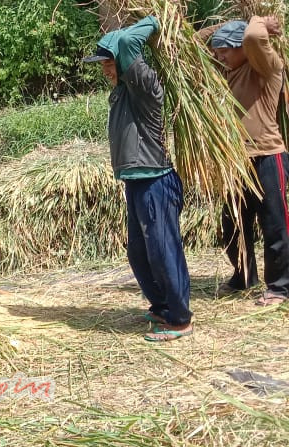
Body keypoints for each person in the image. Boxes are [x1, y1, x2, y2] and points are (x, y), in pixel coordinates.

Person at [84, 16, 194, 341]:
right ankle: (162, 305)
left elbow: (129, 42)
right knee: (138, 252)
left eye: (108, 62)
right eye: (101, 64)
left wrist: (154, 19)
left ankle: (180, 318)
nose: (104, 70)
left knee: (162, 250)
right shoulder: (122, 92)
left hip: (156, 181)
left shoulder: (145, 87)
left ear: (123, 61)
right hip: (136, 181)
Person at [197, 17, 289, 306]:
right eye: (217, 50)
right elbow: (192, 42)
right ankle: (244, 277)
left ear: (243, 48)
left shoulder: (265, 68)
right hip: (237, 162)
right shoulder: (226, 71)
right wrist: (227, 23)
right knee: (233, 224)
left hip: (267, 156)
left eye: (225, 49)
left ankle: (279, 287)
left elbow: (252, 37)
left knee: (274, 224)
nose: (218, 55)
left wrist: (257, 20)